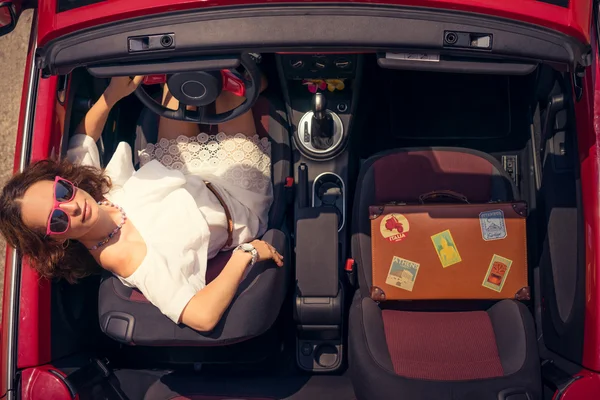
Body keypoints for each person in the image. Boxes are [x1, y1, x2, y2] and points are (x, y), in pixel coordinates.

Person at [0, 74, 283, 332]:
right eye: (57, 220)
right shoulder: (129, 256)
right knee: (231, 86)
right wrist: (246, 254)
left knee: (179, 82)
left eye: (61, 192)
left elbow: (82, 137)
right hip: (234, 202)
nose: (71, 207)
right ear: (55, 241)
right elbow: (201, 316)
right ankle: (257, 83)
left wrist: (112, 95)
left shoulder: (86, 193)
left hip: (179, 172)